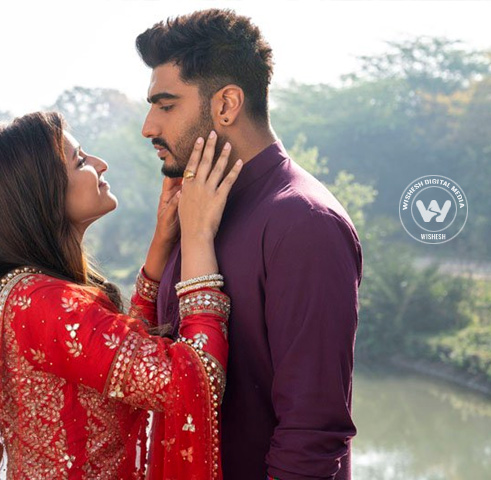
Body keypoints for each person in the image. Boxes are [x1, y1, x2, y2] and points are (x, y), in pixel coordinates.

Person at [0, 111, 243, 480]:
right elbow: (191, 381)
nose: (100, 163)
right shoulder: (43, 302)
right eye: (80, 161)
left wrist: (162, 243)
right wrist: (198, 235)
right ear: (40, 195)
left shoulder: (22, 294)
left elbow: (118, 361)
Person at [136, 9, 363, 480]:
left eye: (166, 105)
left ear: (226, 105)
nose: (149, 127)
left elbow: (312, 433)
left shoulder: (304, 224)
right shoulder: (197, 209)